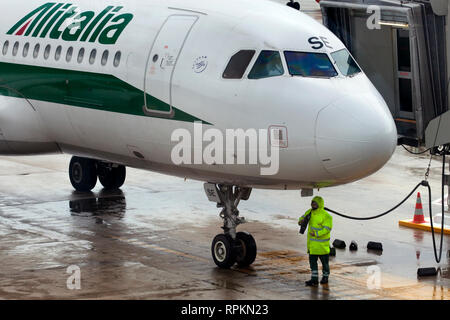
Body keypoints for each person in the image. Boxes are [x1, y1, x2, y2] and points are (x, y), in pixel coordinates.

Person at [298, 196, 333, 286]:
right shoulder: (309, 212)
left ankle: (325, 277)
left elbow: (327, 229)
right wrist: (300, 221)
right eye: (312, 202)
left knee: (325, 263)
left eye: (315, 203)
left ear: (320, 204)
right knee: (312, 264)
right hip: (312, 246)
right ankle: (314, 279)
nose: (313, 204)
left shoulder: (326, 216)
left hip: (322, 246)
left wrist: (317, 234)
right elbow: (302, 218)